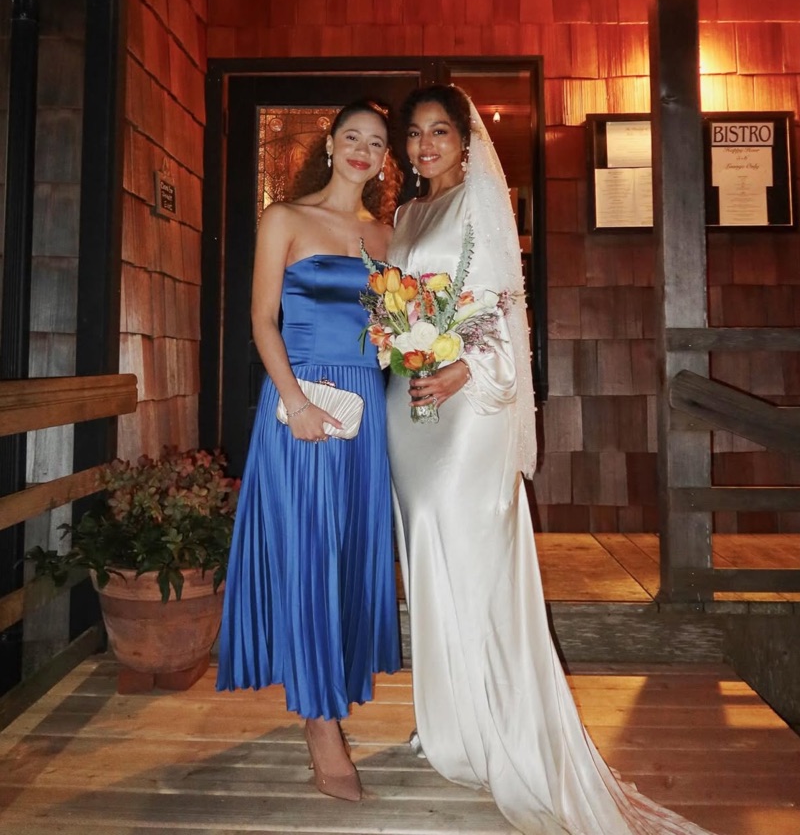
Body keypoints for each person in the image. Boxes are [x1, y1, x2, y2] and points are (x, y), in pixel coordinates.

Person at [386, 84, 719, 835]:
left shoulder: (480, 202)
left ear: (465, 142)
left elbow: (506, 306)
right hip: (409, 402)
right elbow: (398, 299)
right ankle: (450, 719)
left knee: (471, 548)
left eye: (439, 131)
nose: (425, 145)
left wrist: (463, 367)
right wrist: (397, 338)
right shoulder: (404, 215)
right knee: (425, 545)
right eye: (414, 134)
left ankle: (500, 722)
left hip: (469, 399)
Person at [216, 99, 402, 803]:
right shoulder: (285, 218)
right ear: (329, 144)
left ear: (385, 160)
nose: (362, 150)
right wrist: (295, 403)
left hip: (365, 412)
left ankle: (332, 686)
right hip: (300, 404)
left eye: (376, 143)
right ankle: (321, 724)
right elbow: (261, 319)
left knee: (347, 550)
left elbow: (393, 329)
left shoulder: (387, 234)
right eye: (352, 136)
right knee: (309, 551)